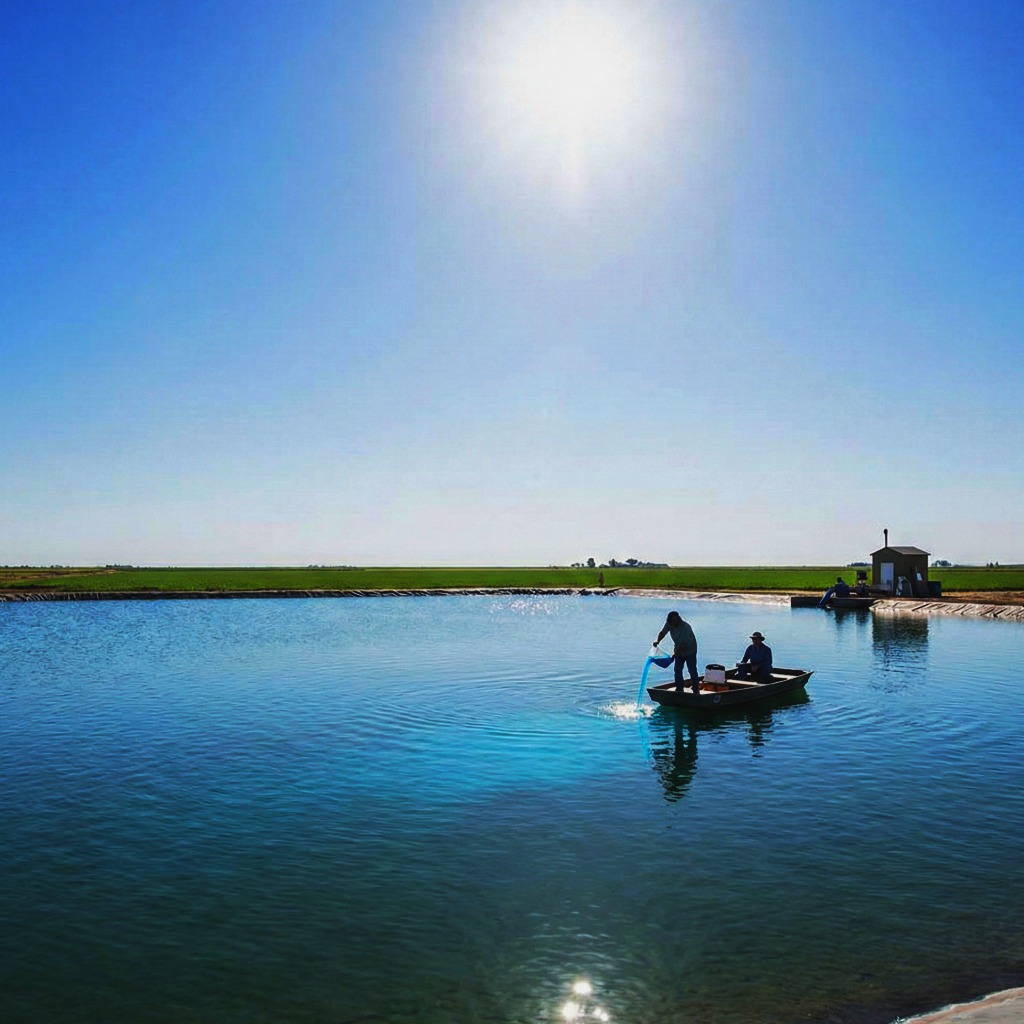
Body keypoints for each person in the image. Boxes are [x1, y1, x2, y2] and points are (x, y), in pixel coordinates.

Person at [653, 611, 699, 694]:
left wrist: (674, 655)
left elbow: (683, 645)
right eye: (669, 621)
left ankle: (696, 688)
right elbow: (663, 632)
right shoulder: (669, 623)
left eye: (672, 621)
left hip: (689, 649)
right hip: (679, 648)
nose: (671, 624)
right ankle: (679, 688)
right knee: (677, 670)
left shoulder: (685, 627)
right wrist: (657, 641)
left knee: (691, 669)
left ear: (677, 619)